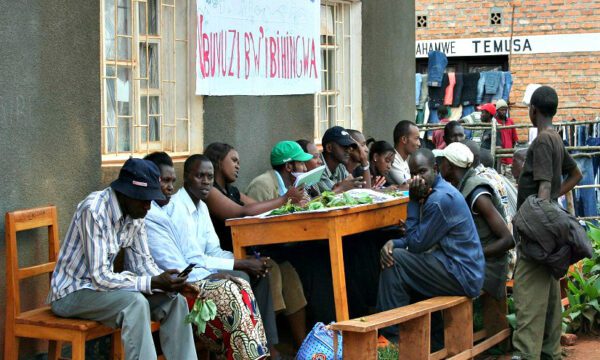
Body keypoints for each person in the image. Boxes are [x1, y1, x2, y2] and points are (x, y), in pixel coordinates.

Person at [48, 158, 196, 360]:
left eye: (150, 200)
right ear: (127, 193)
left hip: (104, 292)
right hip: (72, 293)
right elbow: (100, 277)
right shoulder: (94, 210)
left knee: (175, 301)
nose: (148, 206)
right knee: (134, 304)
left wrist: (169, 284)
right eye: (144, 199)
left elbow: (143, 264)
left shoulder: (135, 215)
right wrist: (152, 282)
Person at [143, 152, 269, 360]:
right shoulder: (166, 211)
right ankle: (242, 354)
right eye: (164, 181)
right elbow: (181, 266)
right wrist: (217, 273)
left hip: (187, 277)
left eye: (209, 177)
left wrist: (234, 265)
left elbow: (210, 251)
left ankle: (256, 353)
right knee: (231, 287)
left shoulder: (181, 208)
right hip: (175, 286)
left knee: (242, 283)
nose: (169, 188)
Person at [204, 142, 308, 350]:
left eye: (239, 162)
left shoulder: (232, 190)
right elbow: (241, 212)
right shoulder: (211, 192)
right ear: (218, 162)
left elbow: (256, 209)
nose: (238, 166)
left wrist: (291, 204)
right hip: (227, 256)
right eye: (233, 160)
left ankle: (303, 347)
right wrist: (284, 198)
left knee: (288, 271)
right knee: (272, 270)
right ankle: (268, 346)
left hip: (246, 252)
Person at [377, 148, 485, 339]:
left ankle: (392, 337)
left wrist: (412, 201)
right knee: (402, 262)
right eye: (412, 174)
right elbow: (422, 238)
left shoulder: (438, 199)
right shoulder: (438, 191)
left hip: (462, 274)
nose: (416, 179)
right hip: (457, 267)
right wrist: (395, 241)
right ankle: (426, 338)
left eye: (421, 172)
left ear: (435, 168)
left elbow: (417, 243)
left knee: (397, 260)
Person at [512, 86, 582, 360]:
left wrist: (537, 225)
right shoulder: (556, 138)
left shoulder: (542, 141)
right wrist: (555, 198)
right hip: (549, 233)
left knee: (528, 303)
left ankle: (528, 355)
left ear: (533, 110)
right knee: (551, 303)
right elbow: (575, 174)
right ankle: (548, 353)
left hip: (537, 238)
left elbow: (542, 189)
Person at [434, 142, 514, 300]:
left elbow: (508, 240)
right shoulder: (461, 187)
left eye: (441, 161)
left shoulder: (477, 193)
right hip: (477, 264)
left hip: (489, 269)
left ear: (450, 166)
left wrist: (474, 254)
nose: (438, 165)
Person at [316, 126, 367, 193]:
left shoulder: (340, 166)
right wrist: (342, 188)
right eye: (344, 146)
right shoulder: (317, 166)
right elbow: (328, 198)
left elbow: (362, 194)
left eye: (350, 146)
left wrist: (365, 163)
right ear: (329, 148)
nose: (349, 150)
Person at [389, 120, 421, 188]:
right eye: (416, 138)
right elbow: (406, 186)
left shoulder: (403, 161)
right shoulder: (393, 160)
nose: (419, 143)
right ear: (404, 139)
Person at [495, 99, 519, 179]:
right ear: (497, 111)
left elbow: (514, 139)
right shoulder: (494, 122)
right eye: (502, 110)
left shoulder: (510, 122)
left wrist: (511, 152)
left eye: (505, 110)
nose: (504, 112)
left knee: (510, 182)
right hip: (499, 159)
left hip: (509, 159)